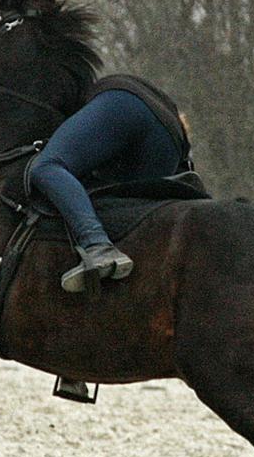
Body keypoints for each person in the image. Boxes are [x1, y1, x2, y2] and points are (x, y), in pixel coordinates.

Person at [29, 74, 192, 294]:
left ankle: (96, 244)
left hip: (126, 102)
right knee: (121, 215)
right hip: (172, 141)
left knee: (47, 166)